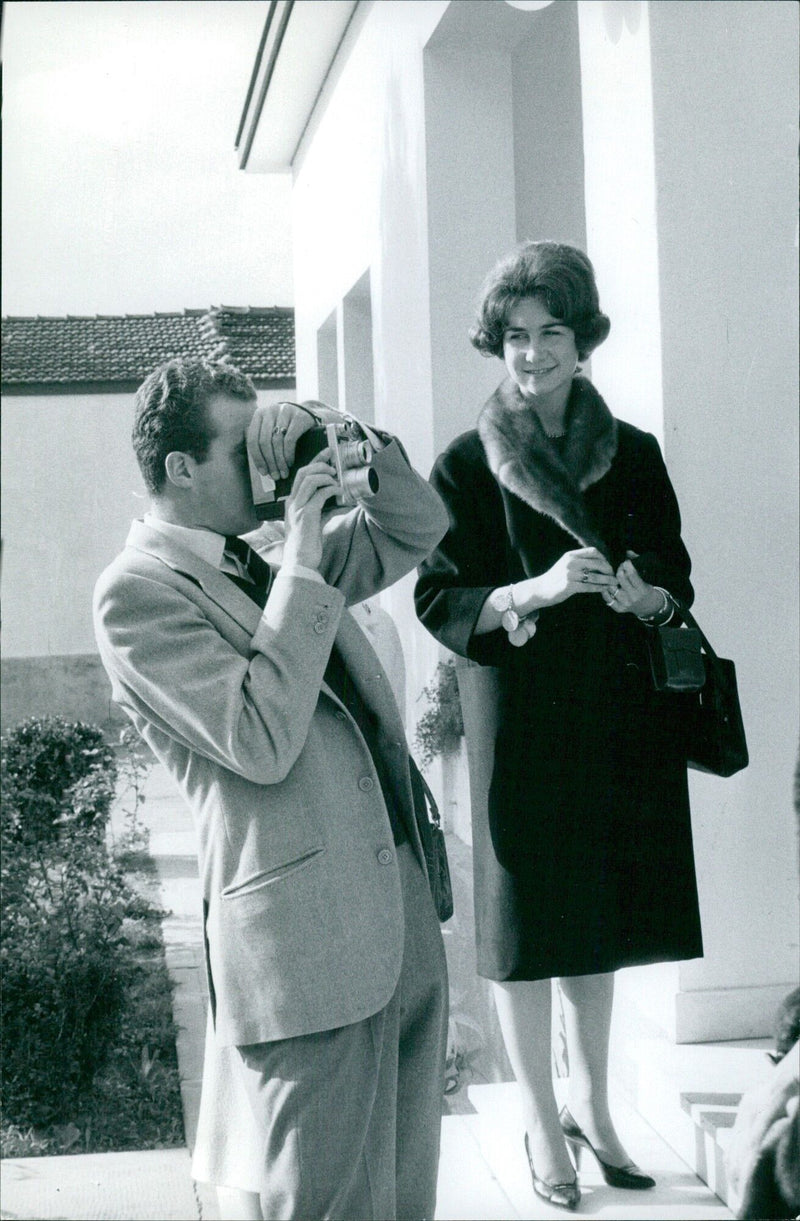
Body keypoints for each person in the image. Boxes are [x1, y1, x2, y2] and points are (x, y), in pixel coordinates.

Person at [93, 357, 450, 1221]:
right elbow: (260, 736)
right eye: (239, 447)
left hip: (394, 911)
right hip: (304, 948)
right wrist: (299, 554)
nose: (263, 467)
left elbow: (419, 522)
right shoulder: (136, 596)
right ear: (181, 469)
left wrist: (344, 434)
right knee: (330, 1207)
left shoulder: (265, 562)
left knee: (404, 1199)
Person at [415, 241, 703, 1211]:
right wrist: (526, 590)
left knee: (600, 922)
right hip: (523, 721)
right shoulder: (464, 462)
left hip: (615, 714)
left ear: (582, 342)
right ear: (495, 345)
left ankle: (593, 1106)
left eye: (550, 333)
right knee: (526, 927)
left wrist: (643, 593)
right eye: (514, 336)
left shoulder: (633, 453)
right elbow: (436, 598)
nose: (531, 353)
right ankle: (541, 1118)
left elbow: (675, 576)